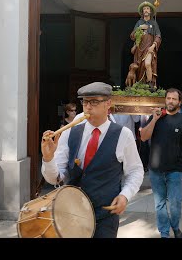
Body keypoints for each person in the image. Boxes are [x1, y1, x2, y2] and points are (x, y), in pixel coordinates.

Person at [40, 82, 144, 238]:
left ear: (108, 104)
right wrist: (48, 159)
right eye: (85, 102)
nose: (88, 107)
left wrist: (125, 195)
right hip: (72, 213)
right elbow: (56, 178)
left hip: (106, 215)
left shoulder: (124, 135)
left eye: (94, 102)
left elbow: (135, 170)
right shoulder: (70, 133)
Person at [140, 88, 182, 238]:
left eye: (174, 99)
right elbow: (144, 137)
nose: (170, 101)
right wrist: (155, 119)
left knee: (175, 203)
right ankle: (164, 233)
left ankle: (175, 226)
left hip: (175, 169)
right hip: (155, 169)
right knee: (160, 203)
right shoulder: (156, 117)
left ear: (179, 102)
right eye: (168, 98)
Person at [128, 1, 162, 89]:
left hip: (149, 48)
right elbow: (132, 36)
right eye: (144, 9)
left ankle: (150, 83)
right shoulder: (139, 22)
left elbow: (158, 36)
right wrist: (139, 28)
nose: (146, 10)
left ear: (150, 11)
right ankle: (141, 85)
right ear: (142, 12)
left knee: (147, 64)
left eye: (147, 9)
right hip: (139, 49)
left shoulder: (154, 23)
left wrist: (153, 46)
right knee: (139, 68)